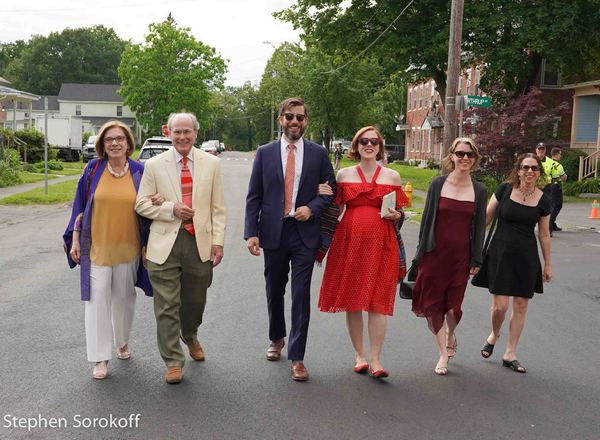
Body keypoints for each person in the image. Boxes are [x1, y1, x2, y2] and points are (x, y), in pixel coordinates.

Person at [244, 97, 336, 382]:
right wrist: (251, 232)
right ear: (281, 119)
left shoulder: (319, 154)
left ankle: (297, 357)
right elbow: (254, 195)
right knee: (274, 289)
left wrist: (312, 208)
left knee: (300, 294)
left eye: (300, 117)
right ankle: (276, 338)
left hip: (304, 233)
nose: (295, 122)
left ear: (306, 121)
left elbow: (330, 191)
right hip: (273, 231)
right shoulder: (265, 152)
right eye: (289, 117)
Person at [135, 112, 226, 384]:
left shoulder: (211, 163)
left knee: (195, 300)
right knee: (166, 305)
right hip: (164, 244)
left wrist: (218, 241)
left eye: (187, 132)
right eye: (177, 132)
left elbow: (218, 208)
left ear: (196, 134)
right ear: (169, 133)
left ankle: (191, 333)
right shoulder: (153, 165)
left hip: (199, 242)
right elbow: (141, 204)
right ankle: (173, 360)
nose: (182, 137)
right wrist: (170, 208)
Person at [63, 120, 156, 380]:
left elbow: (149, 205)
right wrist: (75, 239)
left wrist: (157, 202)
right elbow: (79, 207)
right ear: (102, 145)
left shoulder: (140, 171)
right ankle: (100, 357)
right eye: (108, 140)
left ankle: (122, 341)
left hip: (130, 248)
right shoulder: (93, 170)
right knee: (96, 301)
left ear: (128, 143)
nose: (114, 143)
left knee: (124, 300)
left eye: (119, 139)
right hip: (97, 249)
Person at [317, 126, 408, 378]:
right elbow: (331, 209)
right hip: (350, 243)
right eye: (364, 141)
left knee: (378, 301)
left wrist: (397, 215)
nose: (369, 145)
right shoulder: (344, 174)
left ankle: (376, 359)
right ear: (356, 146)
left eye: (374, 141)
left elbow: (400, 215)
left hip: (383, 244)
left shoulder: (392, 177)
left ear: (380, 147)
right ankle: (359, 355)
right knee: (354, 300)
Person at [410, 137, 487, 376]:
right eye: (461, 153)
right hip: (434, 254)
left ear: (474, 160)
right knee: (433, 303)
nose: (465, 158)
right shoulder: (437, 184)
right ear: (452, 155)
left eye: (470, 155)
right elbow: (426, 223)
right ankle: (443, 354)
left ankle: (451, 333)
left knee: (453, 307)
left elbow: (479, 227)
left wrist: (477, 259)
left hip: (460, 257)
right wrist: (419, 255)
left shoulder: (479, 190)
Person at [474, 153, 552, 374]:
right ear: (518, 170)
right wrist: (473, 249)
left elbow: (544, 235)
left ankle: (510, 352)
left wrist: (548, 264)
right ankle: (494, 333)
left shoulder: (544, 200)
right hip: (500, 253)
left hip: (526, 257)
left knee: (521, 305)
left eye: (534, 168)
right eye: (525, 167)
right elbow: (486, 219)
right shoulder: (505, 190)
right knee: (500, 306)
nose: (529, 172)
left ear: (539, 172)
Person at [549, 147, 567, 232]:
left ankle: (552, 224)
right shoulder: (558, 166)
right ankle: (550, 223)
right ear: (557, 154)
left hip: (548, 186)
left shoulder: (548, 163)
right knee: (557, 205)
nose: (561, 156)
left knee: (551, 205)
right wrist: (565, 176)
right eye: (560, 154)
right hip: (556, 186)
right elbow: (563, 177)